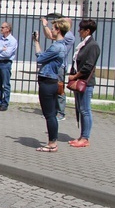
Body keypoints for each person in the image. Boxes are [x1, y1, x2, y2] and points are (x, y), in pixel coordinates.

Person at [32, 18, 70, 152]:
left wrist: (36, 43)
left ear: (58, 30)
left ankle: (52, 143)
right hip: (51, 80)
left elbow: (40, 58)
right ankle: (52, 142)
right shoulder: (61, 45)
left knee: (49, 115)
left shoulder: (56, 46)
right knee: (51, 114)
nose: (51, 30)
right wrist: (36, 41)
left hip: (47, 81)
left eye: (53, 28)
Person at [68, 19, 100, 148]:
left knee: (85, 110)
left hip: (85, 82)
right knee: (80, 109)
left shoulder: (93, 46)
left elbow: (88, 65)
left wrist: (75, 76)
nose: (79, 31)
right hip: (78, 80)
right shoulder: (83, 44)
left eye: (81, 29)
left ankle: (85, 137)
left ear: (87, 31)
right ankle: (81, 136)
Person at [41, 13, 75, 121]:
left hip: (60, 66)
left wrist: (45, 25)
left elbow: (50, 35)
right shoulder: (64, 36)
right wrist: (44, 26)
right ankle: (53, 111)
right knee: (53, 89)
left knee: (59, 88)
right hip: (55, 66)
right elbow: (48, 35)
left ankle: (61, 113)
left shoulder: (69, 36)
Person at [0, 22, 17, 111]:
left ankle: (5, 103)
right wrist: (2, 48)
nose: (1, 29)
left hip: (6, 64)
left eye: (2, 27)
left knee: (6, 84)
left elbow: (8, 53)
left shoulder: (12, 41)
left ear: (8, 29)